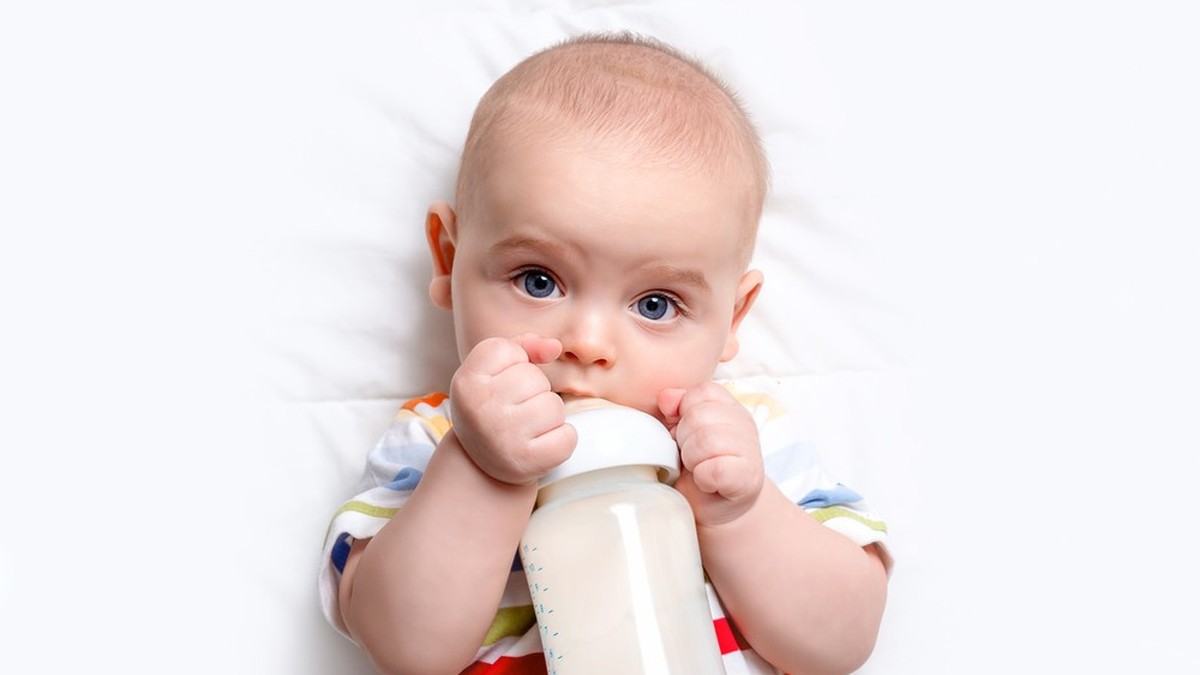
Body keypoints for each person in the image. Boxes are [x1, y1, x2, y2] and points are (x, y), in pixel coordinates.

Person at [319, 31, 890, 675]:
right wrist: (481, 473)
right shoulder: (436, 442)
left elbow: (842, 643)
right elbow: (405, 649)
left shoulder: (742, 442)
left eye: (656, 304)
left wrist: (741, 515)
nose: (588, 344)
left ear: (732, 316)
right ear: (450, 260)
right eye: (539, 280)